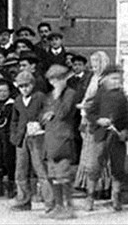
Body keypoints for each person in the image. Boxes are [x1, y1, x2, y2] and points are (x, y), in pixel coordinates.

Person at [86, 64, 128, 212]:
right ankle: (90, 197)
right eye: (113, 78)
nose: (116, 82)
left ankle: (116, 197)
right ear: (105, 79)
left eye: (119, 79)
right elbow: (91, 112)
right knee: (95, 167)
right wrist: (98, 120)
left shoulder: (122, 96)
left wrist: (126, 130)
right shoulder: (100, 94)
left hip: (117, 137)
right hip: (101, 136)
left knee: (118, 168)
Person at [9, 70, 52, 212]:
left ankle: (50, 203)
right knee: (20, 171)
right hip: (22, 138)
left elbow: (48, 112)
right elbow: (14, 120)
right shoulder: (17, 101)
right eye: (21, 86)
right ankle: (23, 201)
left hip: (37, 137)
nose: (24, 89)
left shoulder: (40, 97)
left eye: (27, 86)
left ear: (32, 85)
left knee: (40, 169)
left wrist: (40, 122)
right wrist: (14, 136)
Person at [41, 64, 78, 219]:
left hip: (63, 138)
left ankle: (69, 207)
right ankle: (58, 206)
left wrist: (58, 96)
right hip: (50, 138)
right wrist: (45, 115)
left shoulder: (70, 93)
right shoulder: (49, 96)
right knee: (53, 175)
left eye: (58, 79)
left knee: (63, 175)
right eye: (52, 80)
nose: (54, 83)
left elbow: (63, 112)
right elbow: (43, 115)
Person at [73, 50, 111, 201]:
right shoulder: (93, 78)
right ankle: (88, 186)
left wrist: (86, 107)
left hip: (100, 121)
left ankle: (102, 188)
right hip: (89, 120)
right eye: (92, 63)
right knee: (89, 154)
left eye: (97, 63)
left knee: (99, 156)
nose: (94, 66)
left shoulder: (106, 80)